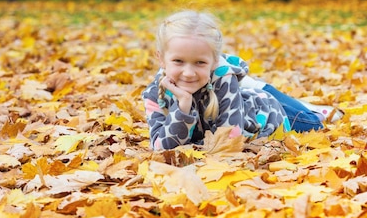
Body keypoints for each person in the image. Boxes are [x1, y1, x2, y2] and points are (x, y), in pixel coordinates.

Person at [142, 10, 343, 150]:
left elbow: (229, 142)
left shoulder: (223, 80)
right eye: (178, 61)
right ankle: (249, 86)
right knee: (237, 90)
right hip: (235, 98)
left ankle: (312, 109)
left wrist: (189, 148)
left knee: (312, 124)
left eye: (199, 63)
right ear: (161, 58)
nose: (188, 73)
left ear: (214, 61)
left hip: (267, 115)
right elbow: (161, 148)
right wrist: (183, 108)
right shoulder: (155, 94)